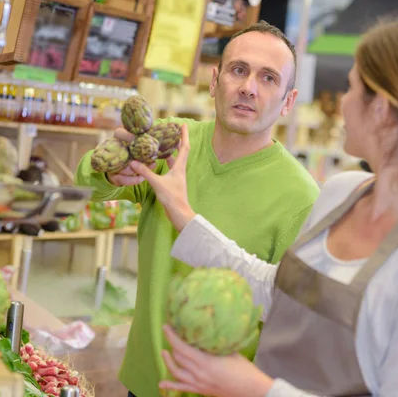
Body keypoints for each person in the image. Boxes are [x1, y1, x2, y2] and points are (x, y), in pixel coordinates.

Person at [130, 14, 398, 397]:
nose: (342, 102)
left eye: (352, 87)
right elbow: (276, 290)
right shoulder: (343, 193)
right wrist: (183, 212)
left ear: (381, 109)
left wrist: (258, 389)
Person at [75, 21, 320, 397]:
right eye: (239, 70)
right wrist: (110, 169)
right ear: (214, 80)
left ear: (289, 100)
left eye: (269, 78)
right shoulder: (174, 141)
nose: (248, 87)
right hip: (142, 382)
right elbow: (82, 187)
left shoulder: (302, 197)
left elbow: (290, 316)